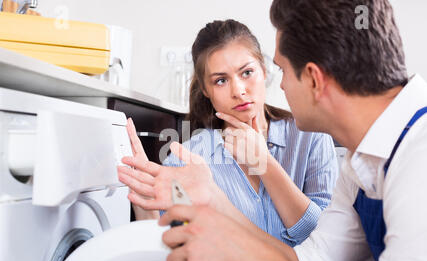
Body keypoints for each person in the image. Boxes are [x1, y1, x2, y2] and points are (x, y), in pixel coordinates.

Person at [120, 0, 427, 261]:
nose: (280, 88)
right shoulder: (359, 163)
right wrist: (214, 201)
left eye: (280, 69)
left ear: (313, 80)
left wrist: (239, 259)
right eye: (222, 80)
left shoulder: (418, 158)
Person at [119, 19, 338, 247]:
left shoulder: (310, 135)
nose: (239, 91)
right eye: (221, 81)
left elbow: (327, 243)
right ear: (205, 89)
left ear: (263, 70)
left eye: (247, 72)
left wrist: (264, 164)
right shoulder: (187, 161)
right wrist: (146, 206)